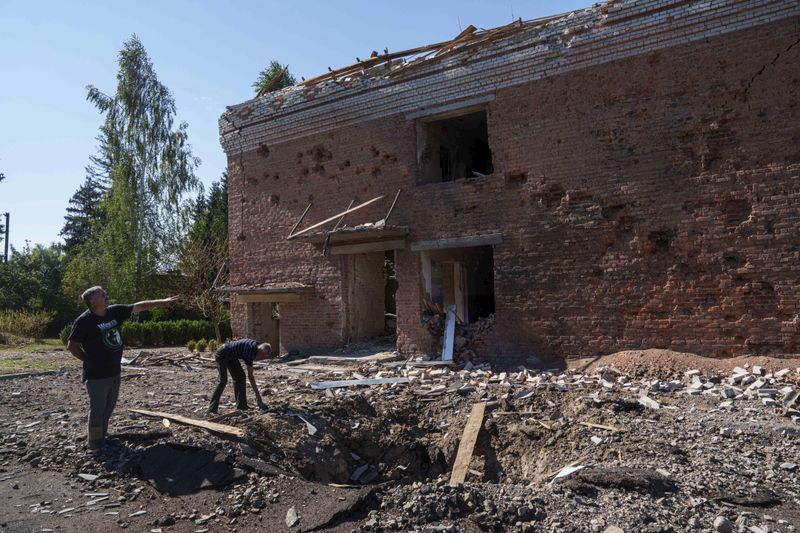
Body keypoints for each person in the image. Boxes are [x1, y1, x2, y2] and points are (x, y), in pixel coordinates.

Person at [67, 286, 178, 453]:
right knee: (97, 411)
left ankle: (102, 439)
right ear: (93, 302)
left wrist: (162, 302)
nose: (106, 295)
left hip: (114, 371)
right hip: (97, 376)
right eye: (102, 294)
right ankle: (95, 445)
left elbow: (139, 306)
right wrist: (88, 360)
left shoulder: (114, 312)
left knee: (108, 409)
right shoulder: (84, 321)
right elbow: (72, 345)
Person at [208, 339, 273, 414]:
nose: (261, 357)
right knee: (223, 380)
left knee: (241, 377)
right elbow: (251, 376)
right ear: (261, 351)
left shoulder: (256, 345)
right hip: (222, 353)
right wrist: (258, 397)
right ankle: (211, 409)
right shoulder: (250, 352)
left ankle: (242, 405)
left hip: (232, 355)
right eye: (262, 355)